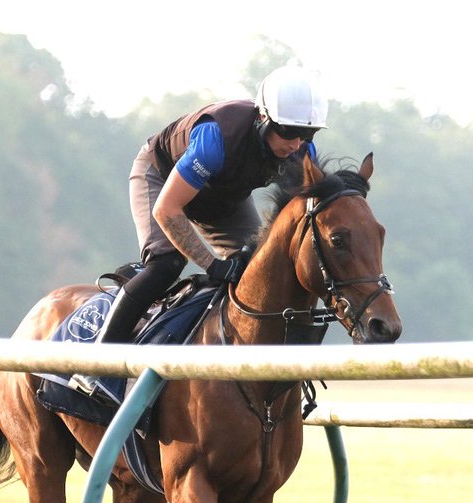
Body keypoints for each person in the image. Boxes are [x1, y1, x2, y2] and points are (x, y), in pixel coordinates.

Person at [70, 65, 326, 400]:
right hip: (161, 179)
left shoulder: (302, 151)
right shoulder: (217, 137)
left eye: (306, 135)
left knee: (257, 268)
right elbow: (168, 210)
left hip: (223, 197)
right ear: (263, 118)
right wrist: (211, 263)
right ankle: (95, 366)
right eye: (288, 132)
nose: (296, 144)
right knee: (166, 263)